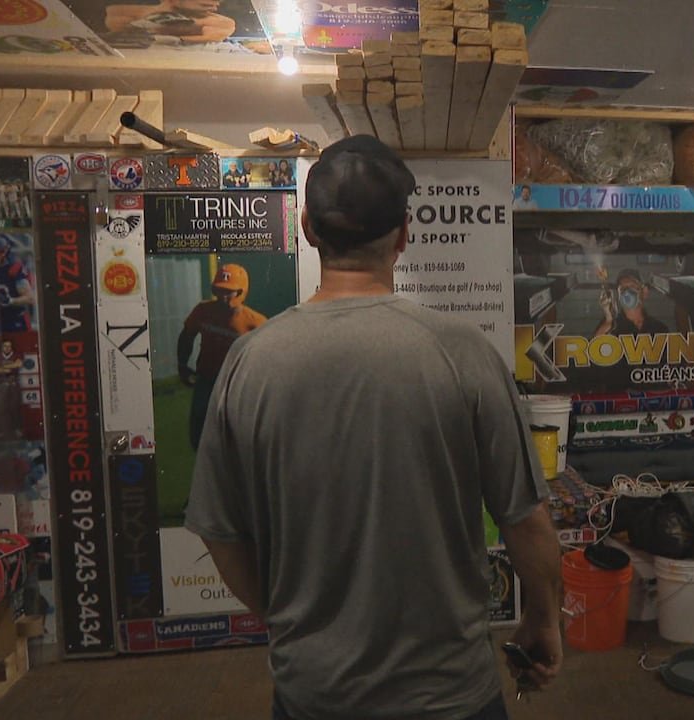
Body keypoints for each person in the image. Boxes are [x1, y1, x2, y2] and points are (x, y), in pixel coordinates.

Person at [185, 135, 562, 720]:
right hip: (451, 694)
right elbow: (527, 521)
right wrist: (543, 621)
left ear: (307, 227)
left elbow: (220, 532)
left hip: (313, 693)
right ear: (405, 235)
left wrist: (287, 620)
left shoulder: (250, 361)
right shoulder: (463, 353)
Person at [177, 263, 267, 451]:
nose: (222, 296)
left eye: (229, 292)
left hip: (238, 385)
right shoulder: (204, 311)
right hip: (207, 380)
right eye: (218, 290)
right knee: (198, 437)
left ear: (241, 292)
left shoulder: (255, 323)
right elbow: (187, 335)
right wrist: (182, 365)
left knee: (238, 439)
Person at [105, 0, 236, 44]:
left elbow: (215, 32)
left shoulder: (223, 23)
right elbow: (113, 22)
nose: (217, 2)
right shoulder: (120, 14)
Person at [594, 268, 669, 337]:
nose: (627, 292)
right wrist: (609, 319)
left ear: (644, 292)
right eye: (622, 288)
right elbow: (595, 348)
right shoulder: (611, 326)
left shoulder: (658, 328)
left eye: (632, 286)